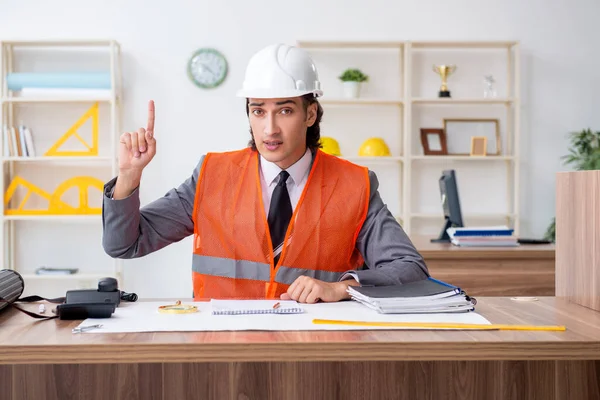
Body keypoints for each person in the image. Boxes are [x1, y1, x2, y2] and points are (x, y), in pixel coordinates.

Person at [102, 43, 429, 304]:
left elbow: (410, 269)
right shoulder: (211, 175)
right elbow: (125, 245)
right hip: (222, 353)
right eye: (258, 111)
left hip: (315, 351)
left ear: (310, 113)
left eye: (285, 110)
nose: (269, 128)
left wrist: (343, 287)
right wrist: (129, 177)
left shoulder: (356, 185)